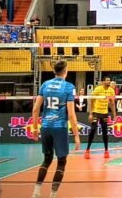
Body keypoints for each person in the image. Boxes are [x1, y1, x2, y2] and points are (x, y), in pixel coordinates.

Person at [30, 60, 80, 198]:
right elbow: (71, 114)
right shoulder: (69, 87)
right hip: (59, 127)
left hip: (45, 126)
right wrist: (76, 135)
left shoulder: (45, 84)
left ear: (54, 71)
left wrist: (35, 129)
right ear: (66, 71)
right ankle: (53, 194)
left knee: (47, 159)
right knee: (61, 162)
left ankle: (36, 192)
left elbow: (35, 110)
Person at [85, 77, 116, 159]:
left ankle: (106, 151)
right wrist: (90, 114)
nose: (108, 81)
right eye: (107, 80)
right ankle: (87, 150)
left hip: (104, 113)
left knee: (105, 131)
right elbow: (91, 101)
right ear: (103, 82)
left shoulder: (111, 91)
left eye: (109, 80)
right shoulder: (98, 89)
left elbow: (112, 104)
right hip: (96, 112)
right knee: (93, 129)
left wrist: (114, 115)